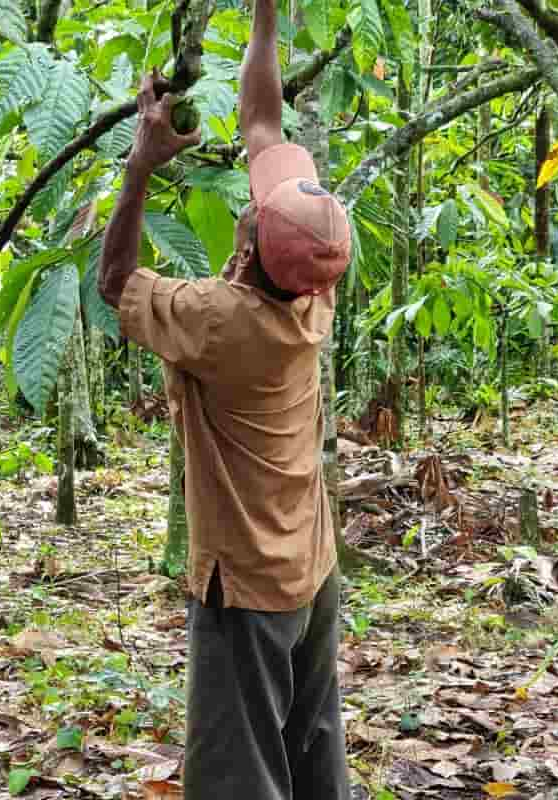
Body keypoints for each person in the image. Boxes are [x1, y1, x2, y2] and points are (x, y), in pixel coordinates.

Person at [97, 0, 353, 796]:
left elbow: (114, 283)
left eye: (249, 216)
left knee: (240, 774)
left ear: (247, 247)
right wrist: (267, 18)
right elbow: (264, 124)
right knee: (312, 756)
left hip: (245, 587)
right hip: (310, 570)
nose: (248, 203)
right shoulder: (312, 282)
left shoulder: (221, 322)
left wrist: (140, 166)